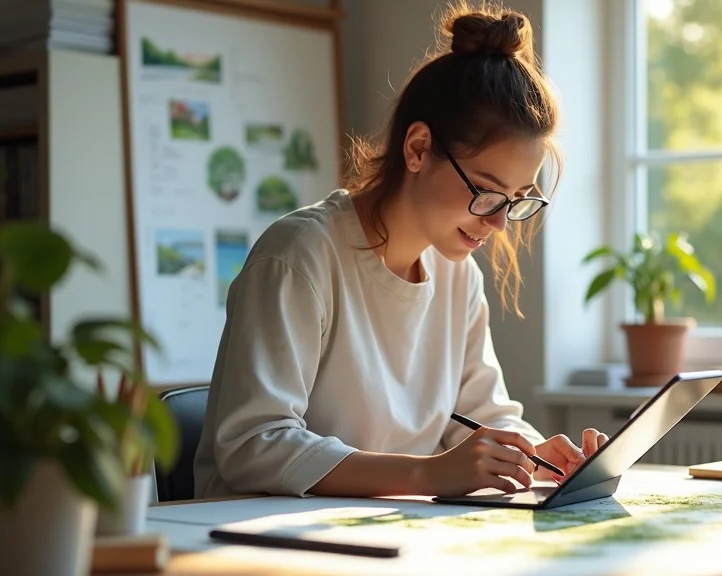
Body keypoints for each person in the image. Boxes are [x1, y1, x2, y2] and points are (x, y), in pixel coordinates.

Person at [192, 2, 609, 500]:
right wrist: (427, 475)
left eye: (517, 199)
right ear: (417, 148)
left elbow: (480, 414)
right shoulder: (300, 256)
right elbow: (254, 445)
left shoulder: (457, 274)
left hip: (381, 527)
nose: (498, 222)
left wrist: (538, 456)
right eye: (486, 191)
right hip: (248, 529)